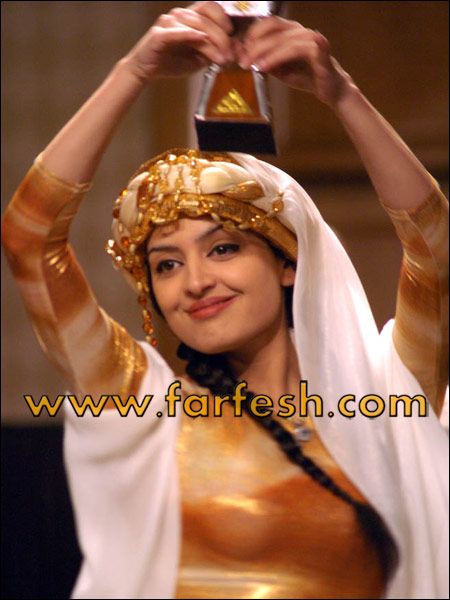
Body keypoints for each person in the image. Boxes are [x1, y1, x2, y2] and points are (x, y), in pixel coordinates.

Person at [2, 2, 448, 599]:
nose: (194, 282)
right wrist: (133, 71)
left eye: (223, 249)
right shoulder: (145, 411)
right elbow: (30, 240)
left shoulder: (385, 403)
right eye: (166, 264)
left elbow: (436, 249)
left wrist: (341, 94)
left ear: (288, 264)